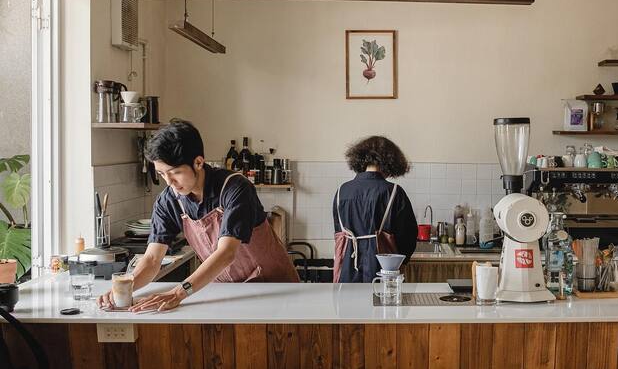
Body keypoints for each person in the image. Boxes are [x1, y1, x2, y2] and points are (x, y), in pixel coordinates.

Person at [98, 119, 299, 312]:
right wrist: (123, 288)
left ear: (198, 162)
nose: (169, 182)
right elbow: (151, 260)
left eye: (175, 172)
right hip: (228, 292)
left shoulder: (235, 188)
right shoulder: (168, 200)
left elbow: (226, 253)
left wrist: (178, 293)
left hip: (274, 288)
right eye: (161, 174)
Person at [333, 136, 417, 282]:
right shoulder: (394, 192)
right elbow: (407, 236)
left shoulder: (342, 191)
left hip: (346, 270)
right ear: (390, 163)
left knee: (346, 304)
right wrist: (402, 261)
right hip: (382, 271)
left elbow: (339, 235)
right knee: (381, 304)